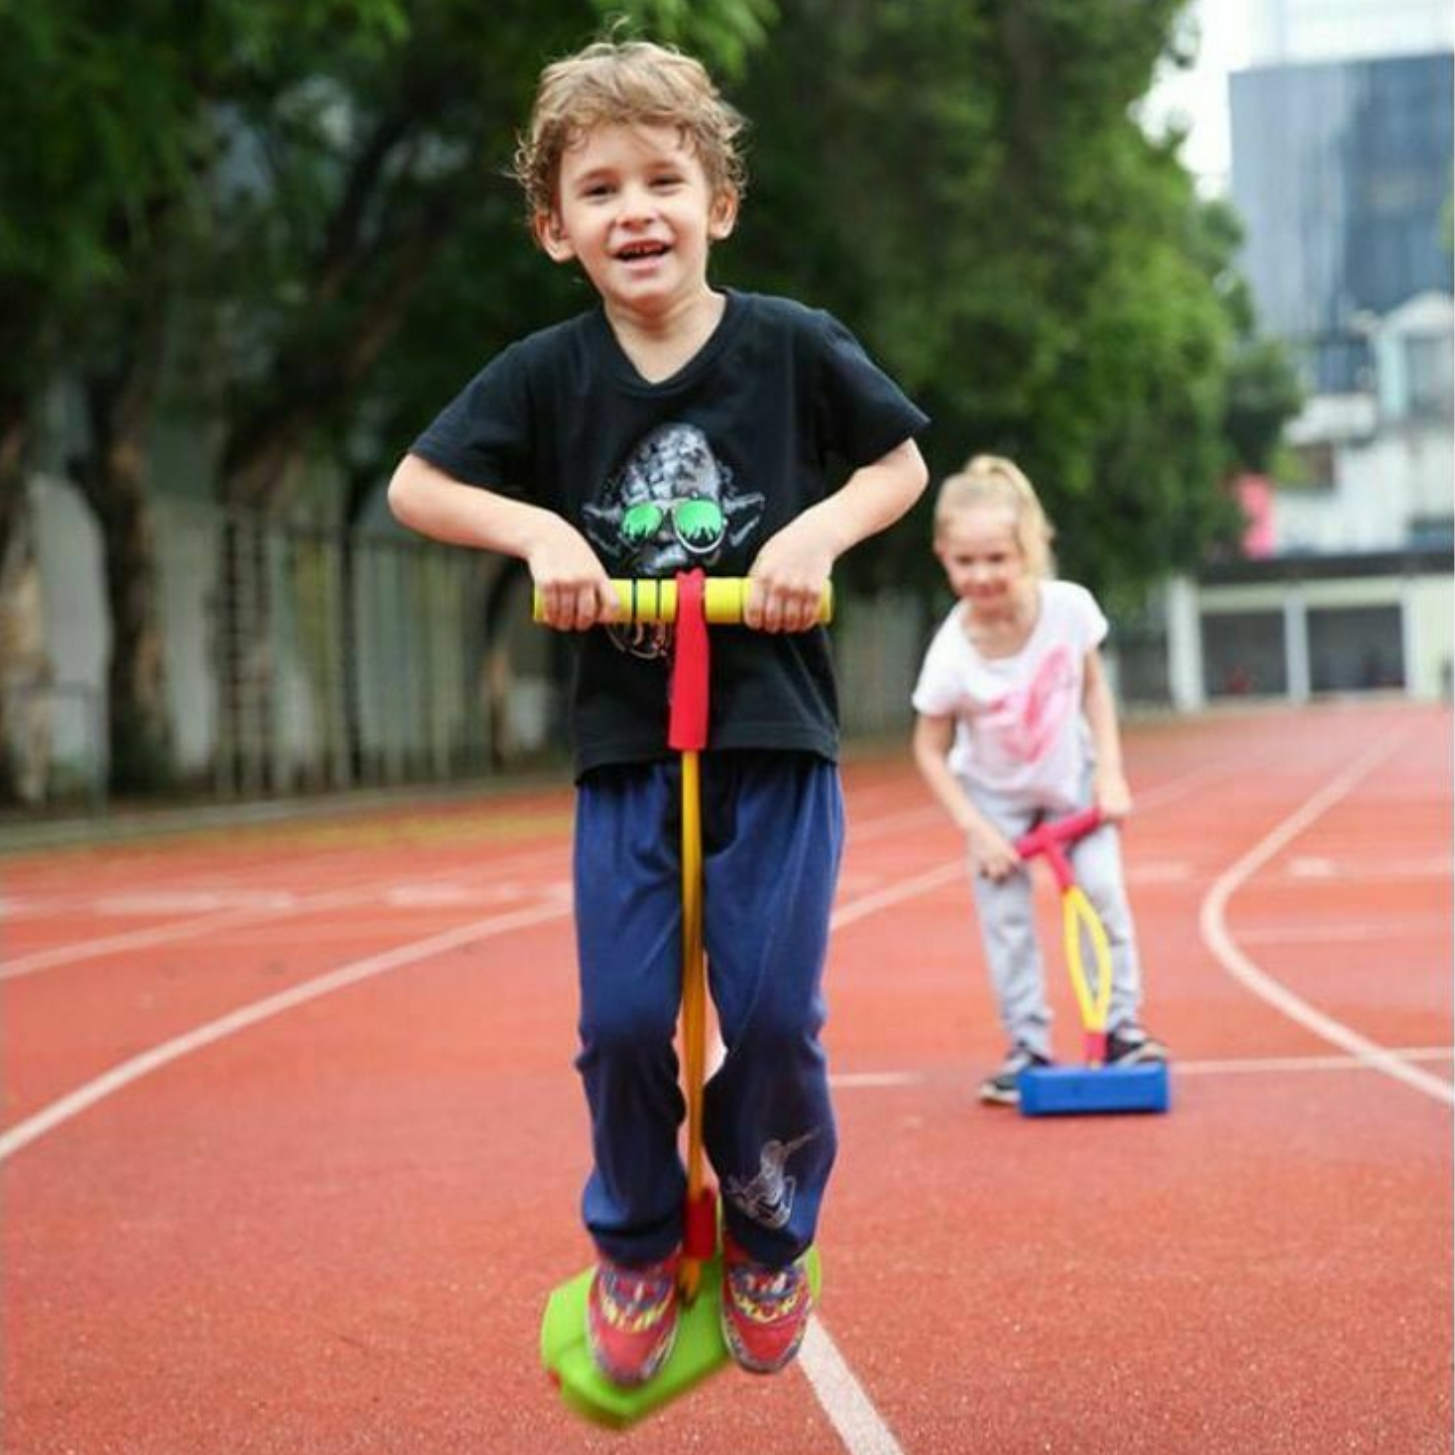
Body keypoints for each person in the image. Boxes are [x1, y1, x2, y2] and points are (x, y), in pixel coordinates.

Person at [388, 38, 929, 1385]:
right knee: (626, 1019)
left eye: (662, 180)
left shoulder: (792, 347)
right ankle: (634, 1236)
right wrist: (537, 538)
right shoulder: (544, 373)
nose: (634, 210)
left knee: (770, 1006)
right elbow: (414, 486)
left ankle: (761, 1229)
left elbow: (898, 464)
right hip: (629, 747)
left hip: (772, 736)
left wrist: (808, 537)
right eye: (597, 189)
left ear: (718, 205)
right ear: (555, 230)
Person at [910, 456, 1166, 1106]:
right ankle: (1025, 1041)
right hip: (994, 799)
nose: (982, 576)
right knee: (1007, 923)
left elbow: (1094, 692)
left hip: (1070, 782)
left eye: (996, 557)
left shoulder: (1068, 609)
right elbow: (930, 750)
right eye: (964, 563)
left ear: (1027, 546)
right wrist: (977, 832)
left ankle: (1120, 1029)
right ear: (942, 556)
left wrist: (1108, 773)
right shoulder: (950, 652)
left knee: (1101, 892)